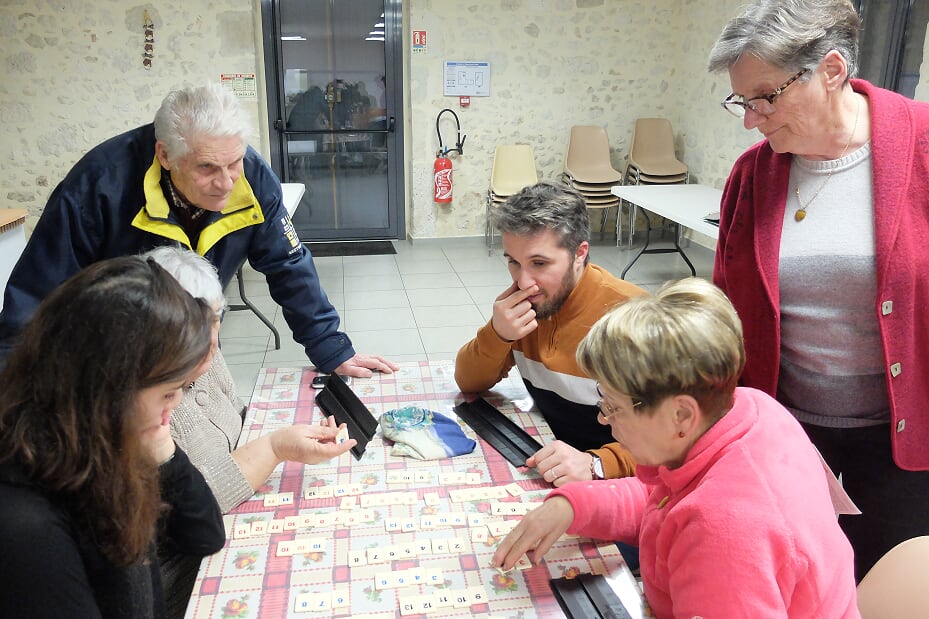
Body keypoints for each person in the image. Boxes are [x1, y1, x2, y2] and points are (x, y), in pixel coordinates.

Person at [707, 0, 929, 580]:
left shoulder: (923, 147)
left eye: (765, 97)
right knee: (795, 581)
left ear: (831, 70)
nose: (751, 119)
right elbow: (726, 312)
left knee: (888, 586)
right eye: (742, 101)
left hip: (905, 445)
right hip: (788, 436)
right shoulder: (753, 174)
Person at [491, 278, 860, 618]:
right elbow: (665, 500)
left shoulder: (725, 536)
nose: (604, 420)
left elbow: (702, 521)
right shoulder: (748, 407)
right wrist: (572, 505)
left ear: (681, 415)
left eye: (614, 407)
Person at [0, 82, 399, 379]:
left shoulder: (253, 178)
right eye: (207, 167)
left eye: (234, 162)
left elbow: (288, 265)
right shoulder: (97, 187)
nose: (226, 183)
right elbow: (36, 299)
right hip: (114, 353)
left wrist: (331, 349)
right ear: (165, 155)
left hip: (200, 348)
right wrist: (17, 390)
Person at [0, 256, 225, 618]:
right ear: (109, 391)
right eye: (168, 393)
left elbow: (206, 534)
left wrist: (163, 446)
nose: (175, 404)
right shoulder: (26, 526)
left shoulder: (100, 447)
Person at [145, 245, 356, 618]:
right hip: (186, 577)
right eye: (197, 330)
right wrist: (275, 448)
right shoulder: (146, 406)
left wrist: (282, 443)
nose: (212, 344)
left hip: (232, 520)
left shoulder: (204, 355)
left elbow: (237, 424)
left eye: (217, 320)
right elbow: (191, 512)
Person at [456, 182, 646, 485]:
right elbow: (468, 382)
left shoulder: (636, 318)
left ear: (579, 253)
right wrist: (498, 334)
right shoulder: (527, 306)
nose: (524, 282)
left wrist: (598, 464)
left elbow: (683, 436)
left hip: (621, 479)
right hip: (553, 458)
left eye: (540, 263)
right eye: (513, 262)